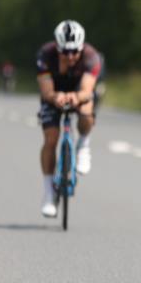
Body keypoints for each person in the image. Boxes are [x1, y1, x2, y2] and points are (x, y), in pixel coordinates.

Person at [36, 20, 105, 217]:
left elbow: (86, 90)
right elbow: (46, 90)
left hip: (78, 91)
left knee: (86, 112)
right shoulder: (45, 55)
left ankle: (83, 144)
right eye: (65, 52)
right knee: (50, 138)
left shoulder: (91, 57)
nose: (71, 56)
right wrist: (55, 97)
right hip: (54, 92)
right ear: (57, 48)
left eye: (75, 51)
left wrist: (76, 97)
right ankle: (48, 193)